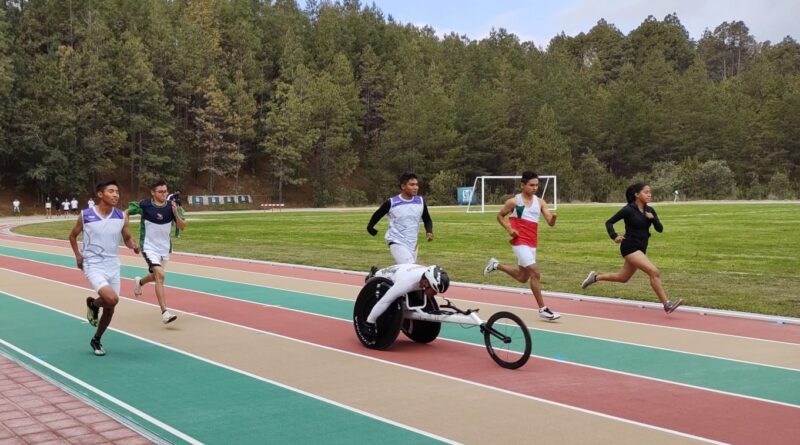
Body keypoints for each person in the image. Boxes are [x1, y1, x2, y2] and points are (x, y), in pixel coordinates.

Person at [581, 182, 683, 314]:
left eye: (650, 192)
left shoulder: (650, 210)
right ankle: (667, 304)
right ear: (637, 194)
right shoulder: (628, 210)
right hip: (629, 247)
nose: (649, 195)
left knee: (623, 278)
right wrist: (614, 236)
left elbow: (660, 229)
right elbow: (609, 222)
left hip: (641, 248)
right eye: (646, 192)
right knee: (654, 272)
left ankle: (595, 278)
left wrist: (652, 219)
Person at [68, 180, 139, 356]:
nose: (115, 195)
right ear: (100, 194)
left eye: (117, 192)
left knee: (110, 307)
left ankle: (96, 338)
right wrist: (78, 256)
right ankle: (93, 304)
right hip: (93, 263)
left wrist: (133, 245)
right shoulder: (86, 215)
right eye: (111, 191)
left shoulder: (121, 216)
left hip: (113, 264)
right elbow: (72, 236)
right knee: (112, 299)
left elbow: (127, 238)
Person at [483, 171, 560, 320]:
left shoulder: (540, 202)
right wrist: (509, 229)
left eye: (536, 185)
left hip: (532, 243)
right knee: (535, 273)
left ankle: (496, 265)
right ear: (522, 185)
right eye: (531, 185)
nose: (535, 188)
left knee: (523, 277)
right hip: (519, 241)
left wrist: (554, 219)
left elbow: (550, 222)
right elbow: (500, 216)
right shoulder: (514, 202)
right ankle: (543, 309)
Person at [128, 179, 186, 324]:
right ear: (152, 193)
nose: (163, 194)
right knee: (160, 275)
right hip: (149, 247)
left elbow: (182, 226)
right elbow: (125, 213)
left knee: (156, 276)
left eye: (165, 191)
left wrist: (175, 212)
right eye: (160, 192)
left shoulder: (172, 206)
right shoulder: (144, 205)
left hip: (165, 248)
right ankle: (165, 312)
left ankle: (140, 282)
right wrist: (128, 236)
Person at [362, 264, 450, 337]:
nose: (435, 294)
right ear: (426, 282)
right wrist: (370, 322)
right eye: (434, 290)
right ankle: (373, 274)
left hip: (404, 270)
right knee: (389, 298)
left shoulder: (426, 275)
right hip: (387, 277)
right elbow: (385, 301)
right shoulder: (406, 284)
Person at [366, 172, 433, 264]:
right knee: (409, 266)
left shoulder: (420, 201)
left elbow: (427, 219)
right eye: (412, 185)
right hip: (396, 241)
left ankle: (378, 273)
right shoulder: (392, 202)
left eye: (416, 184)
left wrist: (429, 231)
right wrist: (370, 226)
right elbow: (378, 214)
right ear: (403, 186)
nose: (415, 187)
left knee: (403, 268)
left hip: (413, 243)